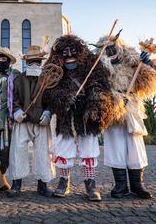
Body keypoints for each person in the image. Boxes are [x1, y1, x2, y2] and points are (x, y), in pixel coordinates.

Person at [93, 34, 156, 199]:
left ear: (119, 46)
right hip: (113, 110)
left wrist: (148, 64)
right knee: (115, 147)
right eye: (107, 49)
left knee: (135, 147)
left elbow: (149, 80)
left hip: (132, 109)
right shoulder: (99, 70)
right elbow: (96, 88)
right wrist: (113, 99)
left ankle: (137, 185)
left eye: (113, 47)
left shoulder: (133, 62)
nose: (111, 51)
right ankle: (120, 186)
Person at [42, 35, 113, 201]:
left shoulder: (92, 66)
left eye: (72, 51)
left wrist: (95, 104)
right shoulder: (54, 70)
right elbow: (49, 92)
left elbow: (100, 86)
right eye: (64, 52)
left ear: (79, 52)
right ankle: (63, 182)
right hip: (65, 116)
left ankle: (90, 184)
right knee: (64, 149)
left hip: (85, 115)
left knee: (88, 149)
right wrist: (64, 98)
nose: (68, 55)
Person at [7, 45, 55, 198]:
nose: (34, 64)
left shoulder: (48, 80)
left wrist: (48, 113)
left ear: (40, 62)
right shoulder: (18, 78)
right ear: (26, 62)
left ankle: (43, 184)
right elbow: (13, 97)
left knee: (43, 153)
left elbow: (52, 99)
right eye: (31, 62)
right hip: (22, 121)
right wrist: (16, 111)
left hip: (41, 121)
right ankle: (16, 184)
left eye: (37, 61)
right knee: (17, 151)